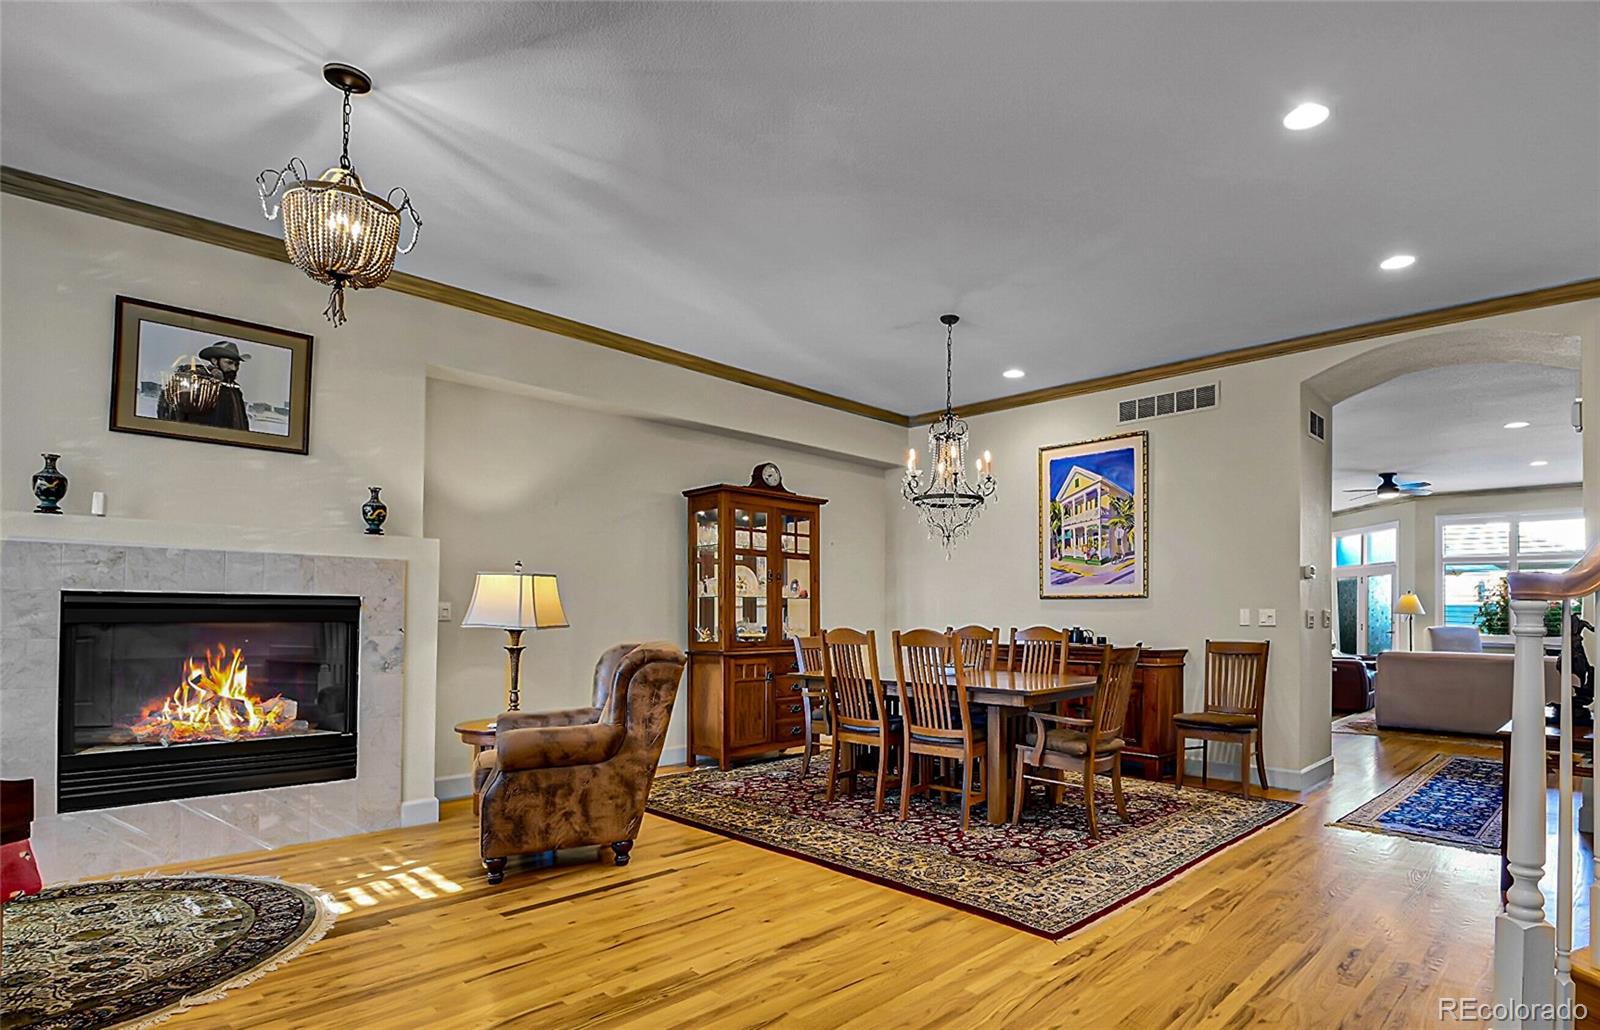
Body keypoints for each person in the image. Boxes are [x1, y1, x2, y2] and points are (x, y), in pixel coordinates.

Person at [157, 340, 251, 430]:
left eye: (237, 364)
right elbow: (173, 411)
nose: (234, 368)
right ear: (215, 361)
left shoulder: (235, 391)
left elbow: (241, 422)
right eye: (229, 363)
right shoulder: (197, 381)